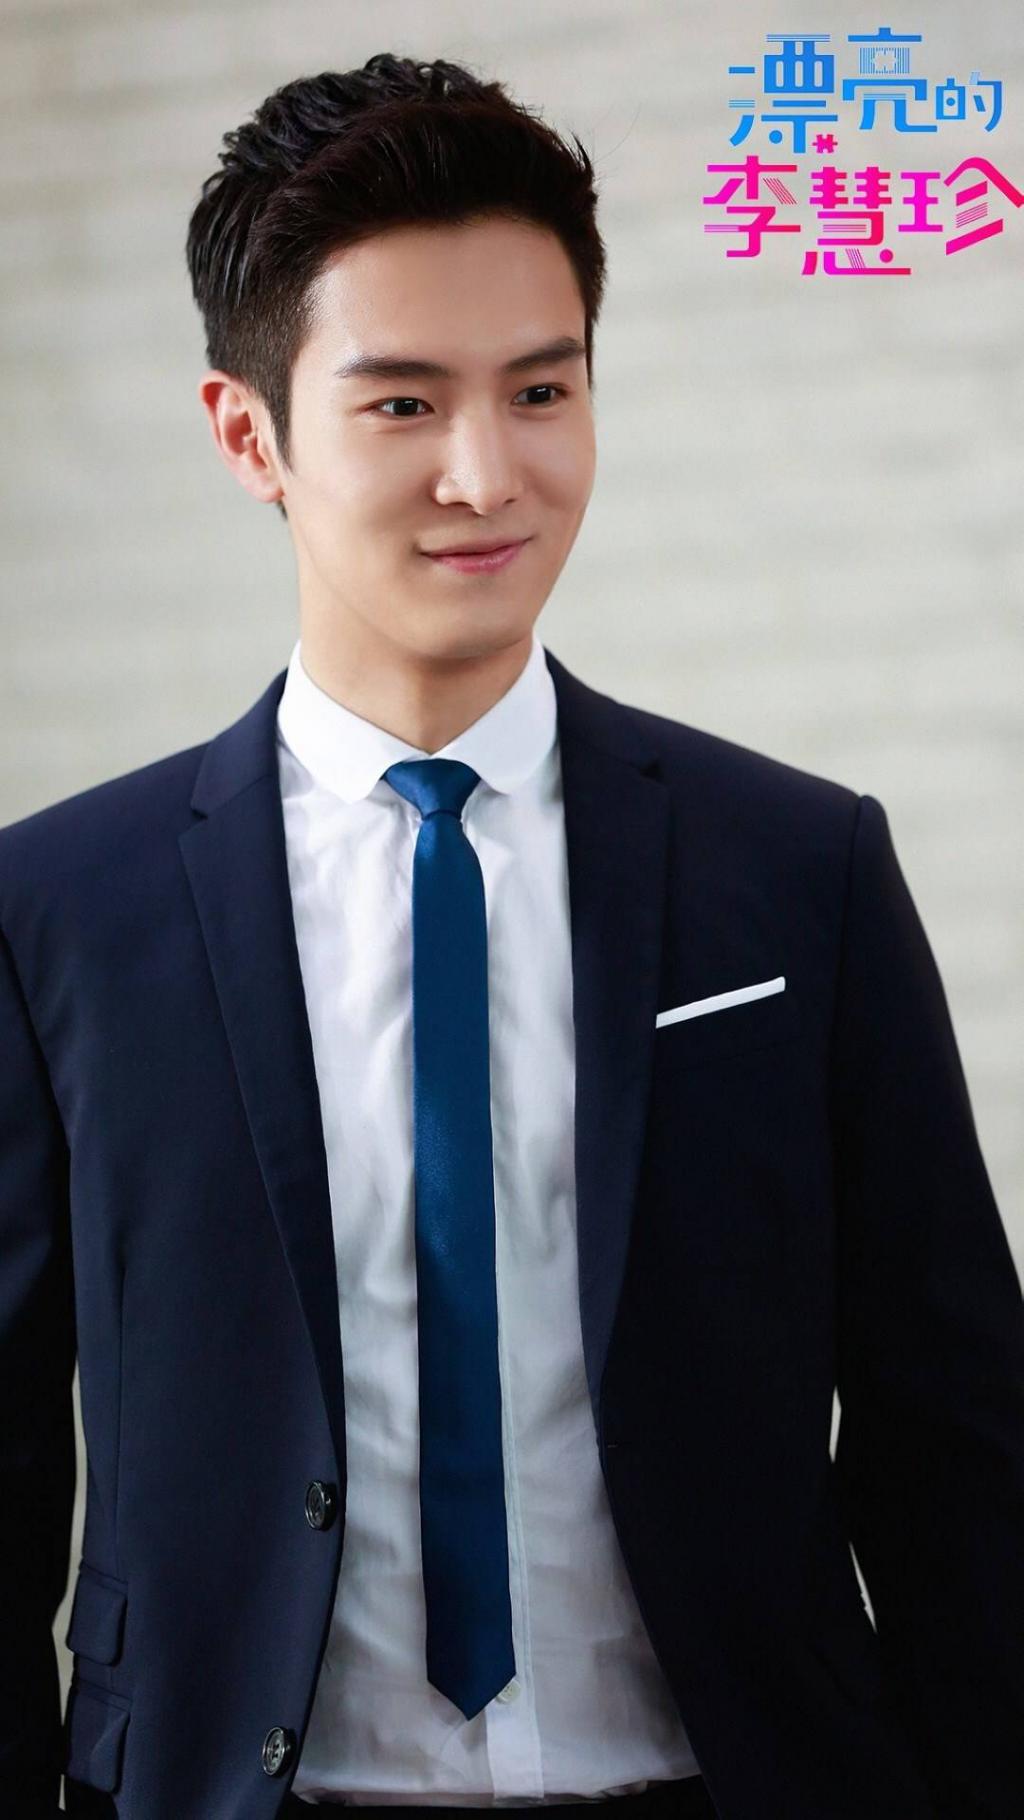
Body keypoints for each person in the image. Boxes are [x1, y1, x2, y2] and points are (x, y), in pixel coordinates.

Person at [0, 51, 1021, 1820]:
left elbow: (960, 1447)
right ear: (249, 435)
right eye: (402, 403)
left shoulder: (801, 870)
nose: (488, 473)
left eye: (541, 389)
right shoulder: (62, 913)